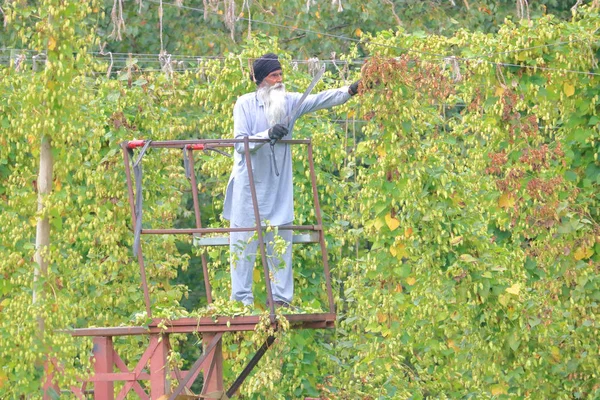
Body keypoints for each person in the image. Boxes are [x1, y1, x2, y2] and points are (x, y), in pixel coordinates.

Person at [222, 53, 359, 308]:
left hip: (277, 188)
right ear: (261, 80)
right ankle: (240, 304)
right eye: (274, 76)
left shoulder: (289, 102)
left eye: (281, 74)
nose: (279, 80)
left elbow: (321, 99)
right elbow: (240, 144)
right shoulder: (244, 104)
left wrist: (351, 90)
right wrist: (267, 134)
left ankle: (282, 301)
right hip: (248, 189)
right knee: (242, 248)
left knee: (281, 245)